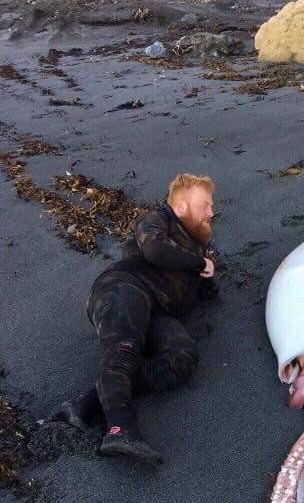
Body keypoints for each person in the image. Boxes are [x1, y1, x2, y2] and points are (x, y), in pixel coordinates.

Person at [55, 173, 219, 465]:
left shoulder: (196, 247)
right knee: (125, 347)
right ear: (181, 206)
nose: (211, 212)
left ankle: (87, 404)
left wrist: (207, 276)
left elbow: (201, 288)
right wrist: (198, 263)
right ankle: (121, 427)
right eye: (204, 205)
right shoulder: (156, 220)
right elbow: (155, 250)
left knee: (183, 356)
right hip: (123, 288)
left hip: (158, 309)